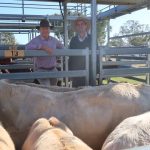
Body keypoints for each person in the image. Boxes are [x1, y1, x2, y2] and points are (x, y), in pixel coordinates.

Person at [25, 19, 63, 86]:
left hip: (53, 69)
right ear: (39, 30)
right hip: (41, 70)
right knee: (47, 88)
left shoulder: (54, 40)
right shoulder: (36, 40)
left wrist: (58, 54)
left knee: (54, 88)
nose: (45, 30)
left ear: (49, 30)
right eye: (43, 28)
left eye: (47, 28)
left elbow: (62, 47)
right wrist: (41, 47)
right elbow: (27, 47)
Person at [69, 17, 93, 87]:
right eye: (78, 25)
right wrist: (70, 71)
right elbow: (71, 57)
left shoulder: (92, 39)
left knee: (89, 94)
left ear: (86, 26)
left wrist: (96, 70)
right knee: (76, 94)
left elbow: (96, 56)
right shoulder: (73, 40)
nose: (80, 26)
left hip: (90, 72)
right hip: (76, 73)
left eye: (82, 24)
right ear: (76, 27)